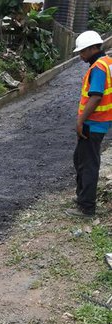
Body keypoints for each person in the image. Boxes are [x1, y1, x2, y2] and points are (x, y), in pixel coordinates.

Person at [66, 31, 112, 218]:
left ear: (93, 48)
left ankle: (86, 207)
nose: (81, 56)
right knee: (81, 159)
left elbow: (95, 96)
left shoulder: (98, 68)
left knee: (88, 164)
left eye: (83, 52)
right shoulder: (107, 63)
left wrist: (80, 120)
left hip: (92, 124)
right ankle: (82, 197)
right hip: (101, 122)